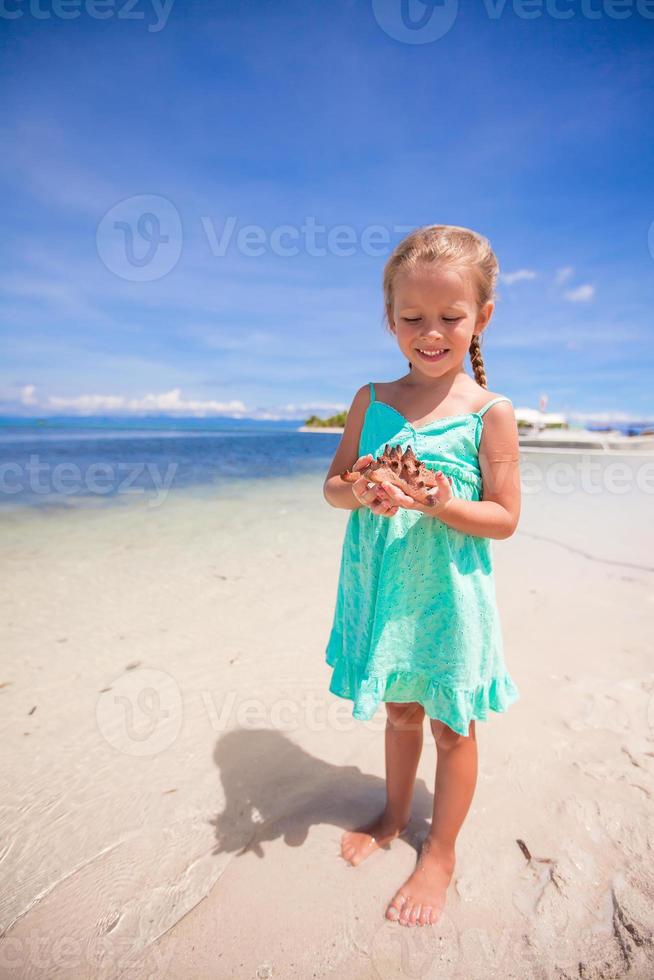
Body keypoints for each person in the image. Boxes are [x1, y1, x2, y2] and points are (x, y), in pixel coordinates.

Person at [322, 224, 522, 928]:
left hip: (450, 600)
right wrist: (367, 486)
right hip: (385, 595)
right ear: (390, 318)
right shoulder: (370, 398)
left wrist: (444, 502)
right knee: (401, 710)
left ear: (482, 317)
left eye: (450, 317)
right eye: (412, 318)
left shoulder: (490, 414)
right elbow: (333, 488)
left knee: (453, 724)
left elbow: (504, 518)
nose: (430, 332)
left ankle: (440, 851)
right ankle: (394, 814)